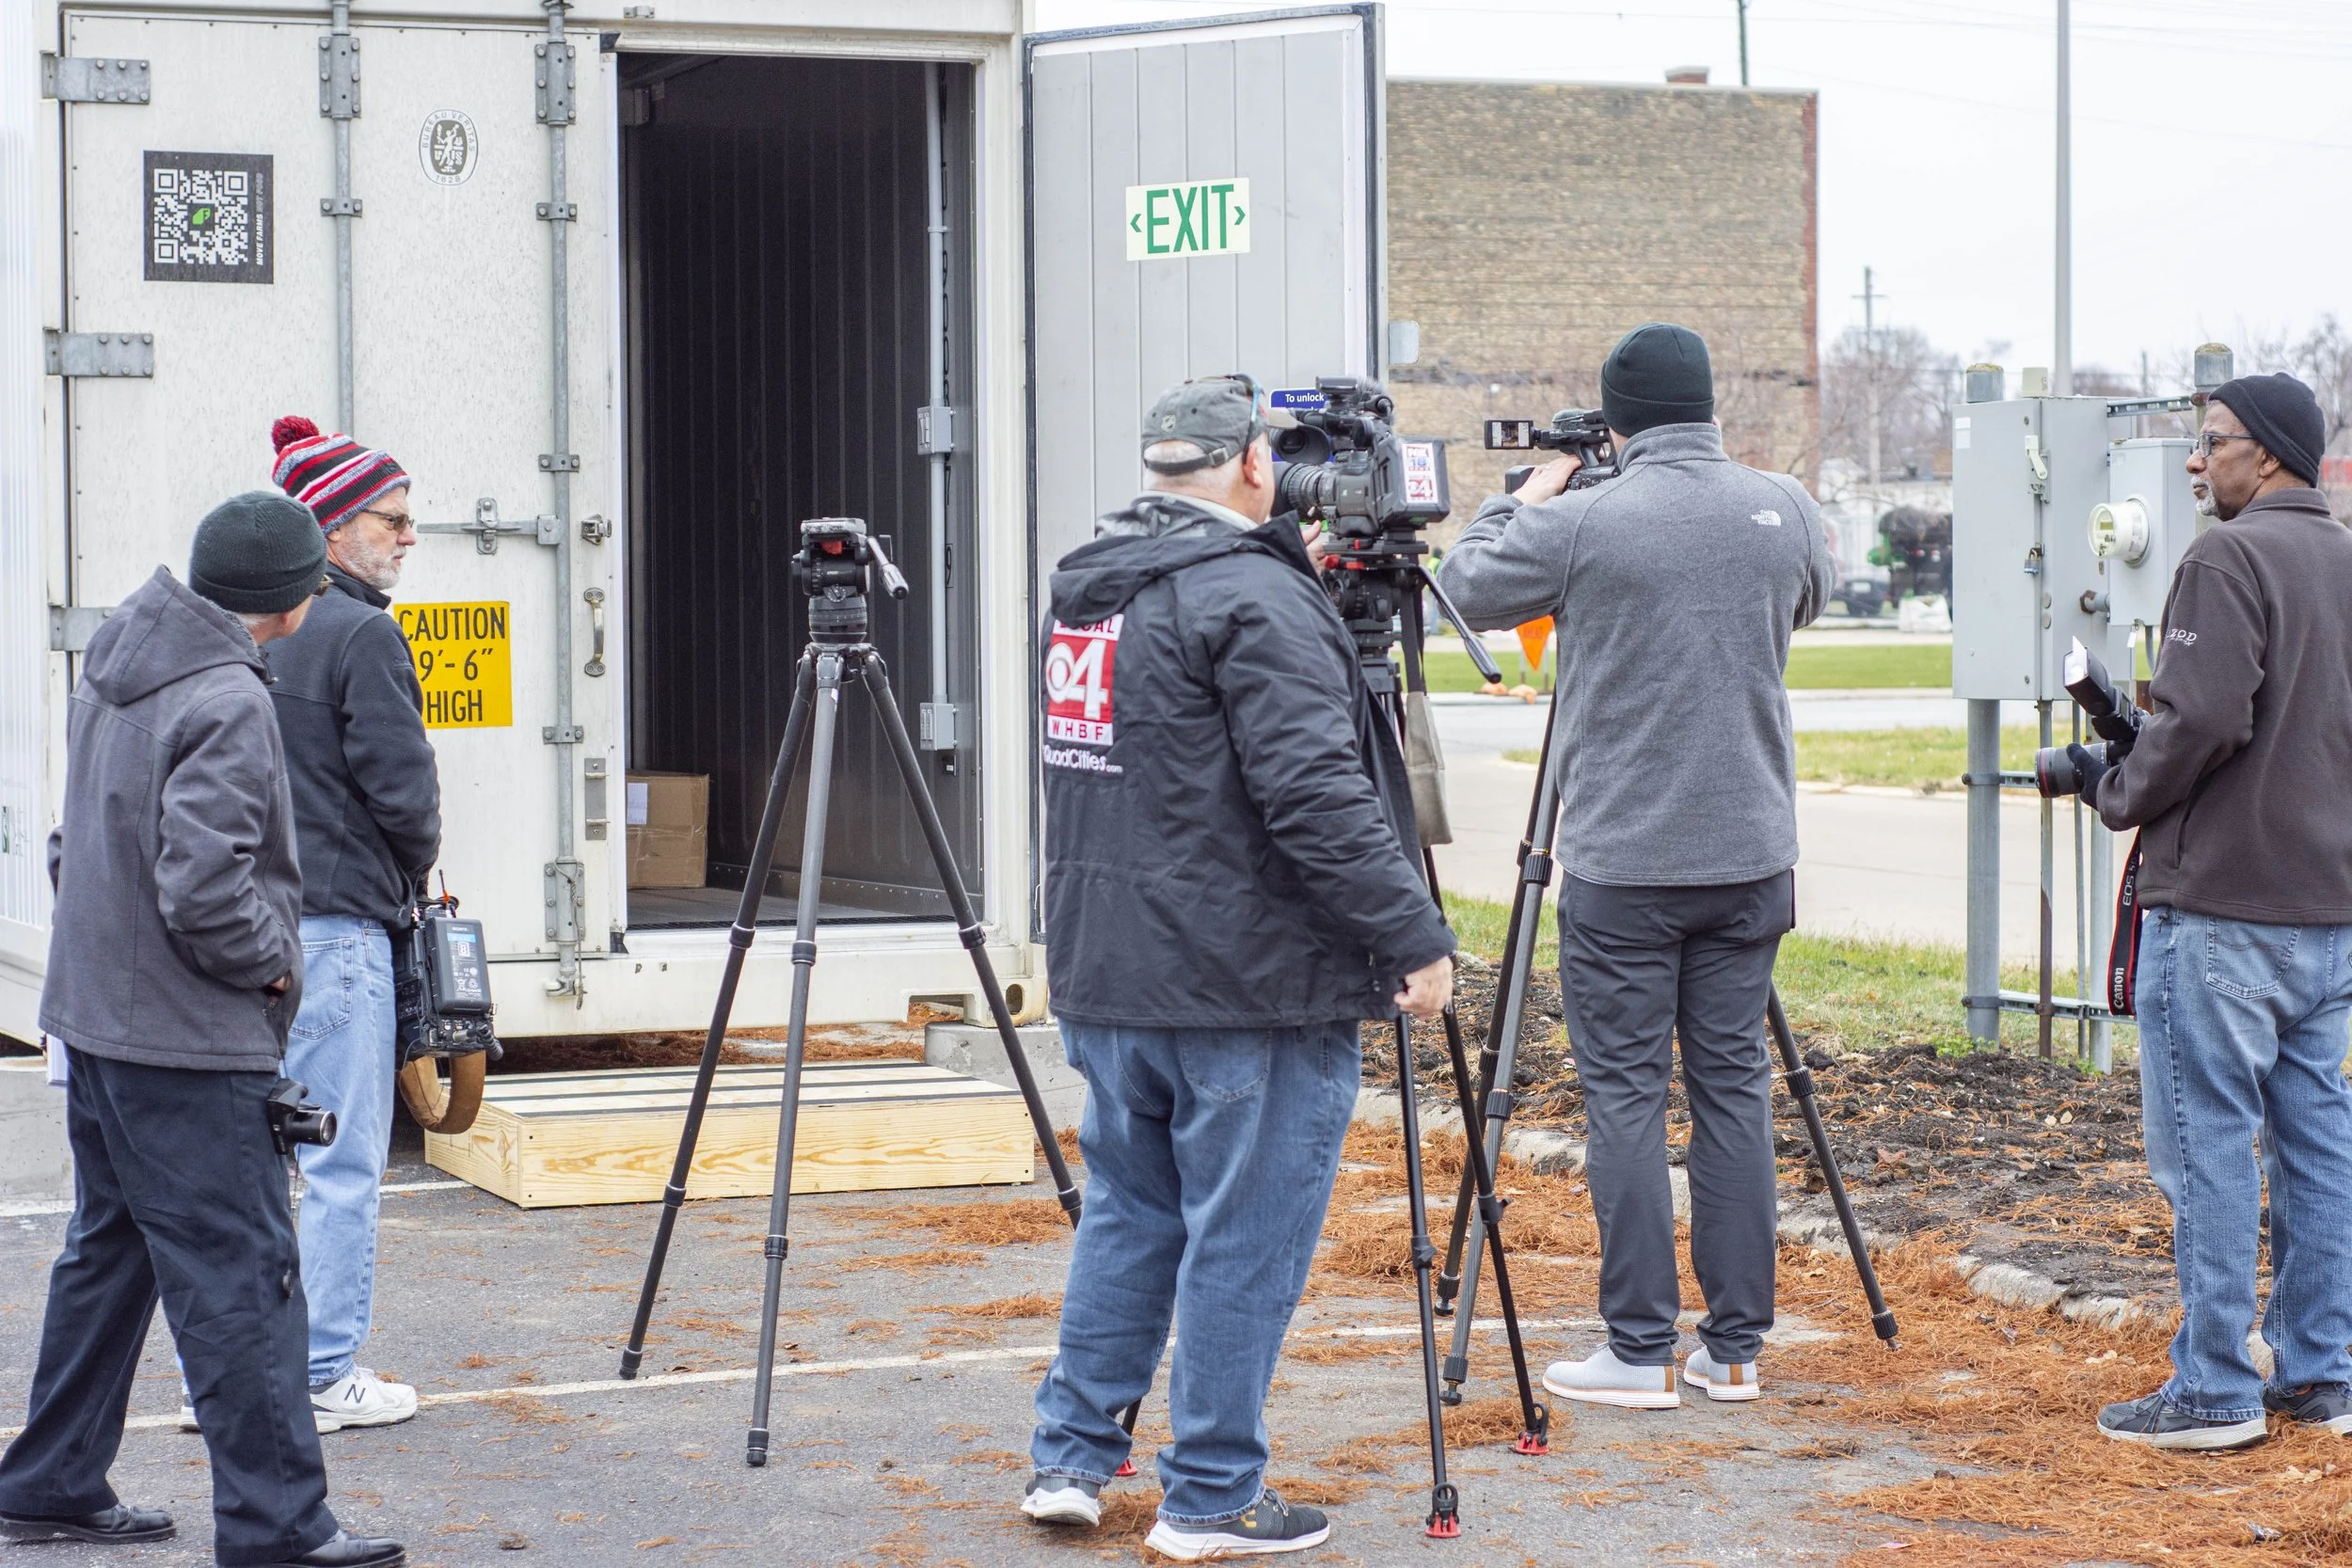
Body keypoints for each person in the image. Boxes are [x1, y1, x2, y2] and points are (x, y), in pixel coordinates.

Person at [1022, 377, 1457, 1561]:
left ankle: (1070, 1456)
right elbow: (1314, 795)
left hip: (1111, 968)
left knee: (1129, 1213)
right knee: (1241, 1237)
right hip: (1245, 983)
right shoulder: (1256, 598)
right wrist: (1410, 932)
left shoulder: (1086, 586)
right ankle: (1209, 1494)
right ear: (1254, 468)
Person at [0, 494, 404, 1568]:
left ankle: (49, 1481)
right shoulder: (227, 693)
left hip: (99, 1020)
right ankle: (279, 1527)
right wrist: (274, 962)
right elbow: (203, 882)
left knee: (112, 1252)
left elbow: (72, 837)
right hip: (184, 1040)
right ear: (287, 600)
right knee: (243, 1278)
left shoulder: (128, 649)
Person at [1436, 323, 1831, 1412]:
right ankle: (1735, 1348)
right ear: (1707, 406)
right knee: (1732, 1091)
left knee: (1622, 1097)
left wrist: (1535, 487)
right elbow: (1811, 596)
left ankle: (1636, 1347)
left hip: (1625, 865)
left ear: (1614, 420)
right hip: (1752, 855)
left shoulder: (1582, 520)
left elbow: (1462, 587)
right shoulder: (1784, 504)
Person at [2077, 372, 2352, 1450]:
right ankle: (2323, 1371)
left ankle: (2213, 1389)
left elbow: (2196, 723)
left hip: (2223, 912)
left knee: (2206, 1148)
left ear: (2268, 455)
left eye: (2210, 443)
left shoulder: (2226, 557)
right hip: (2326, 915)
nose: (2196, 461)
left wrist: (2117, 792)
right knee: (2316, 1142)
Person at [232, 416, 440, 1434]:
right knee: (344, 1161)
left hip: (243, 933)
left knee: (250, 1166)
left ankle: (235, 1369)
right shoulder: (362, 631)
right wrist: (416, 872)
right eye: (391, 520)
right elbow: (404, 789)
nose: (407, 539)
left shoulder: (245, 625)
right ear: (327, 523)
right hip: (340, 928)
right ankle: (321, 1367)